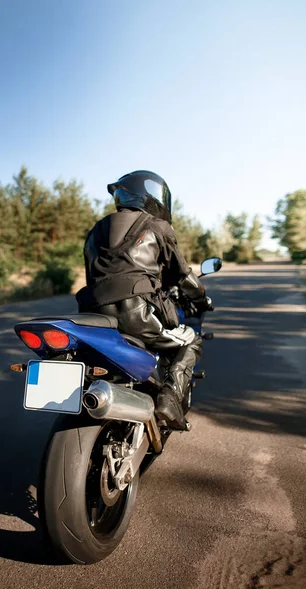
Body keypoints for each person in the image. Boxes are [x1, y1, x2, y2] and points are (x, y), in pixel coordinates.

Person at [76, 170, 212, 429]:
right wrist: (201, 297)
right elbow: (182, 274)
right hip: (137, 314)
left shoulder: (95, 231)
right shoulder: (156, 226)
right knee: (191, 340)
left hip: (91, 316)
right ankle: (169, 398)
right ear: (152, 196)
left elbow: (93, 275)